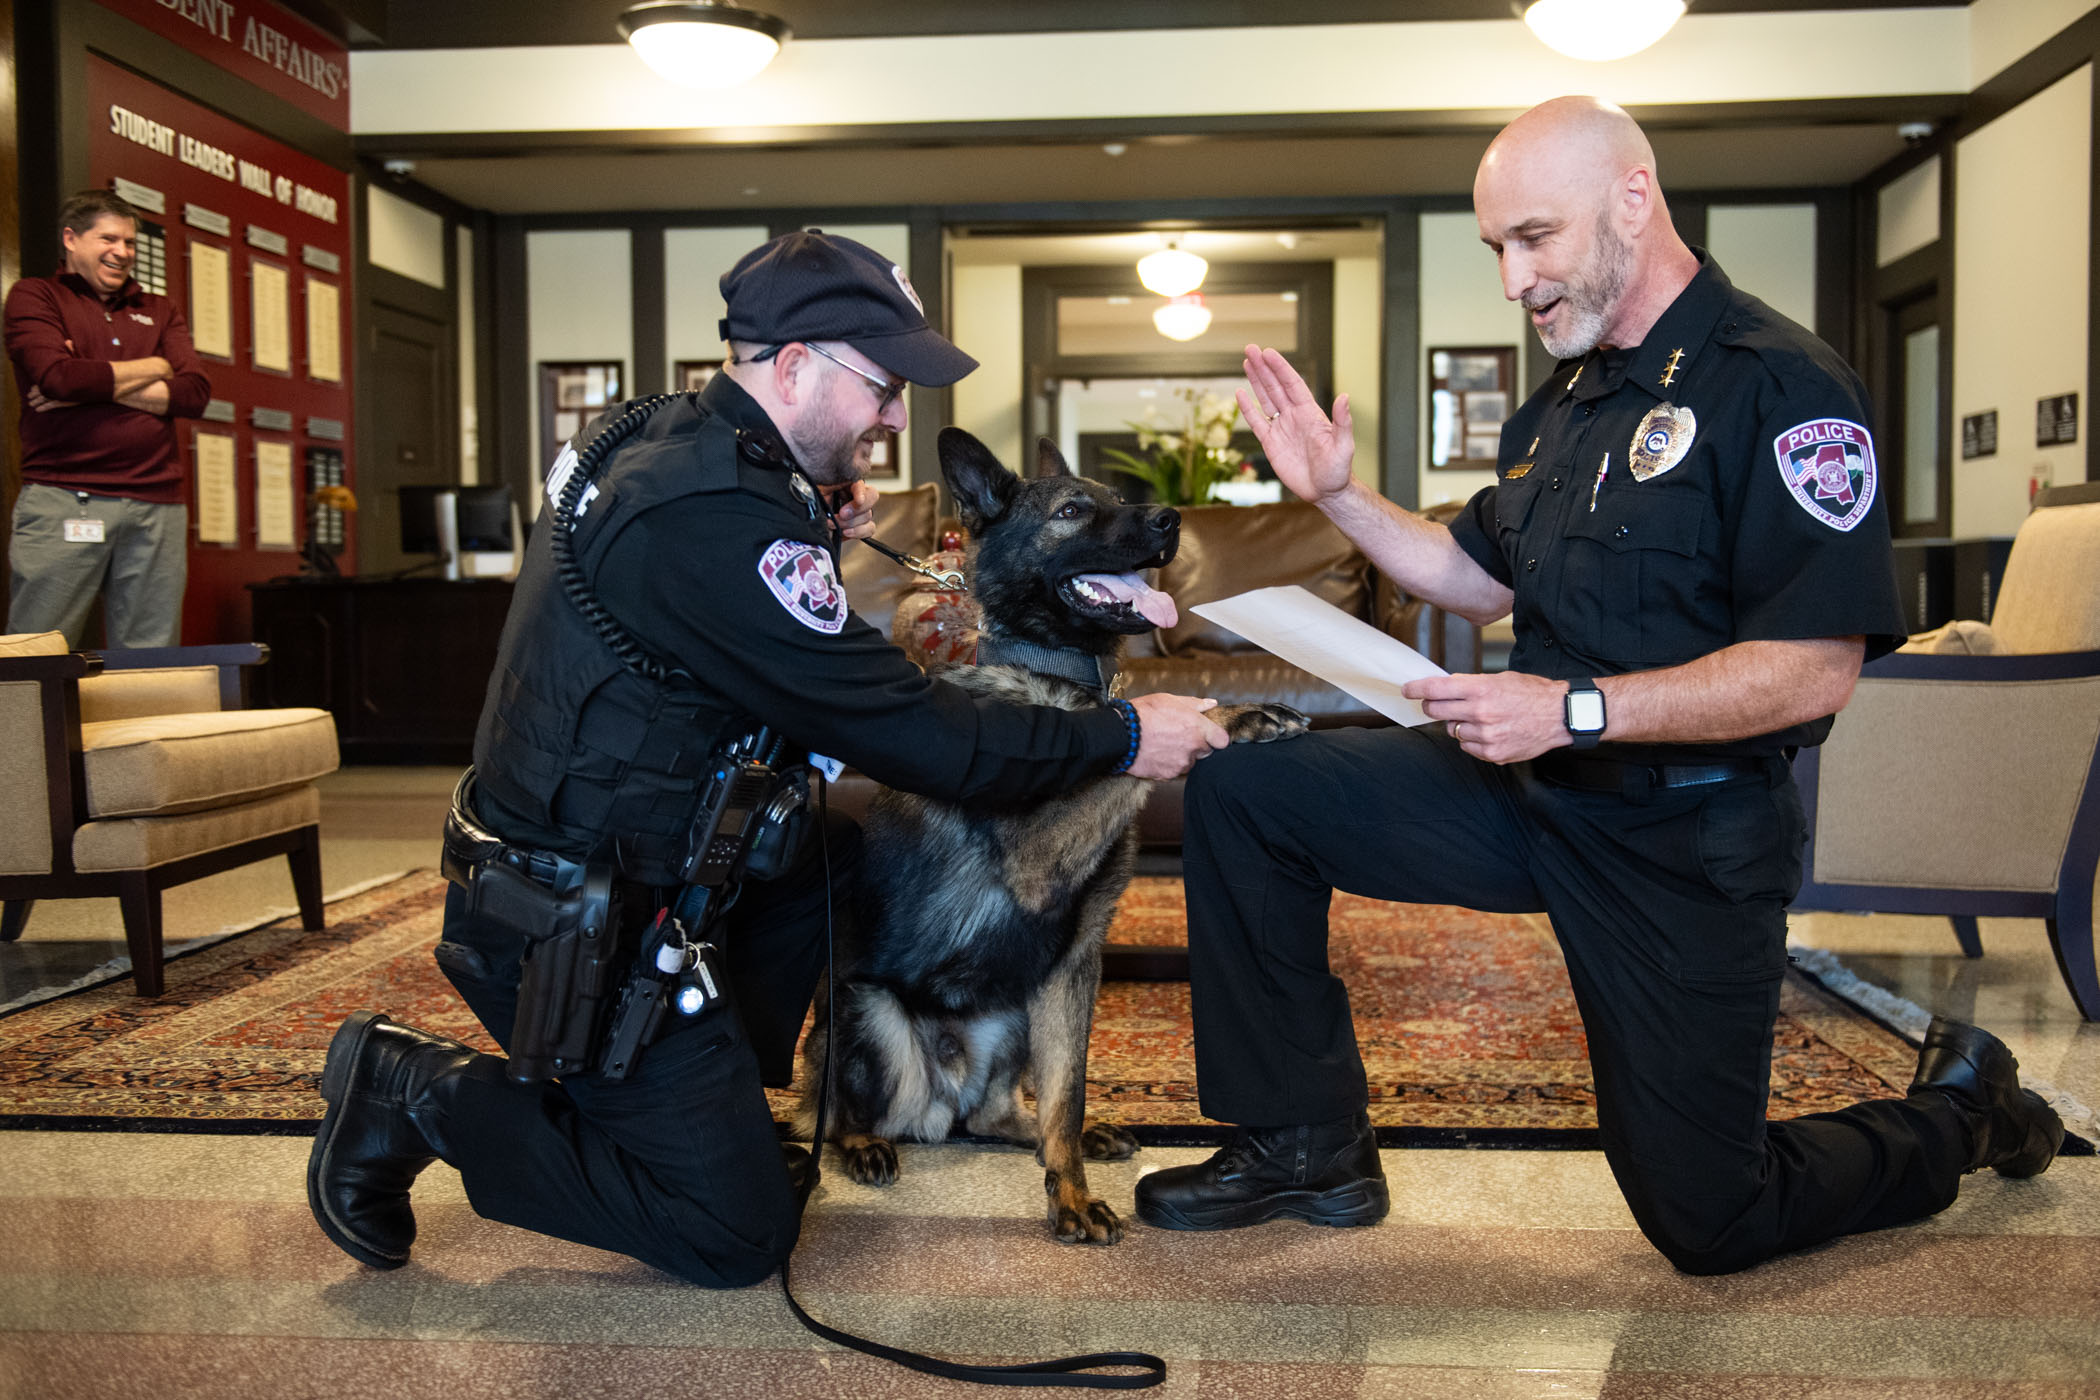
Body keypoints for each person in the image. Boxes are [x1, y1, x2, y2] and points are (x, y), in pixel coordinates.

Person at [1133, 97, 2064, 1275]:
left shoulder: (1782, 388)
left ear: (1634, 198)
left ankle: (1964, 1112)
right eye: (1496, 250)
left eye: (1535, 238)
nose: (1515, 279)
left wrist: (1576, 708)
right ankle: (1305, 1144)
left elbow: (1814, 669)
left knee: (1711, 1215)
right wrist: (1336, 494)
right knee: (1249, 796)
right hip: (1529, 794)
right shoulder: (1564, 402)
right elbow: (1472, 580)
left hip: (1685, 831)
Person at [305, 230, 1230, 1287]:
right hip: (576, 920)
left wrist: (812, 537)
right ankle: (409, 1085)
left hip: (657, 866)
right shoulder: (711, 515)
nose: (893, 417)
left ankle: (707, 1094)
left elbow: (723, 652)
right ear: (795, 364)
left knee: (842, 848)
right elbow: (918, 737)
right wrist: (1122, 734)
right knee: (735, 1231)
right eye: (883, 387)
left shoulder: (691, 446)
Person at [5, 189, 209, 647]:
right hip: (65, 498)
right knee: (36, 650)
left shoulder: (159, 310)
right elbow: (58, 379)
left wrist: (93, 386)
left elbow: (194, 393)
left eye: (130, 242)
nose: (122, 252)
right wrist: (155, 368)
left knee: (151, 657)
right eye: (109, 239)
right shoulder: (35, 297)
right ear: (71, 239)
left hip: (158, 505)